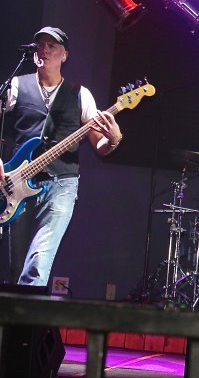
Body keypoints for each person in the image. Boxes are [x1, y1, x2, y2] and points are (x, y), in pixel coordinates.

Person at [0, 27, 123, 287]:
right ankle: (20, 312)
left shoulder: (80, 94)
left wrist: (114, 139)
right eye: (40, 44)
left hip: (61, 184)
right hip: (16, 184)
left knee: (37, 263)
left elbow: (99, 146)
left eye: (52, 45)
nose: (44, 49)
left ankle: (28, 311)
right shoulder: (16, 86)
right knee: (17, 268)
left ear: (64, 55)